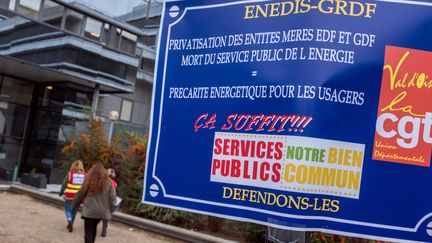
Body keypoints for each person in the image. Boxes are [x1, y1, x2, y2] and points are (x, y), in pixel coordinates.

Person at [72, 163, 116, 243]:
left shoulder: (88, 180)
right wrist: (111, 209)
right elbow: (113, 197)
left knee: (88, 232)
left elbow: (80, 194)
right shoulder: (109, 182)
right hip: (101, 211)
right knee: (93, 228)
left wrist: (74, 205)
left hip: (89, 210)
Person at [59, 160, 86, 232]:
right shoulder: (84, 175)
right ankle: (71, 224)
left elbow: (64, 183)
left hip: (69, 195)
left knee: (68, 209)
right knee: (74, 210)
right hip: (78, 196)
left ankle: (69, 221)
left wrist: (61, 192)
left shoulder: (70, 174)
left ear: (73, 165)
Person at [101, 168, 117, 237]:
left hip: (101, 200)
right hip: (109, 201)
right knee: (106, 216)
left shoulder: (102, 181)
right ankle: (104, 231)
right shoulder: (114, 183)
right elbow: (114, 194)